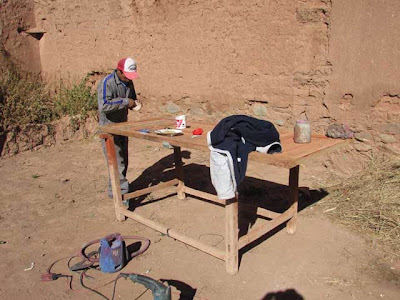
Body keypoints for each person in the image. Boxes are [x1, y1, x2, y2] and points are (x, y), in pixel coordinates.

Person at [97, 57, 141, 198]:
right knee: (117, 162)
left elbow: (132, 98)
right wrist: (124, 102)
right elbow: (103, 105)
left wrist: (135, 104)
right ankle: (121, 197)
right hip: (109, 128)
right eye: (126, 76)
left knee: (123, 160)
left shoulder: (128, 82)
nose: (129, 79)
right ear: (119, 71)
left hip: (123, 126)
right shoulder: (106, 83)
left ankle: (115, 191)